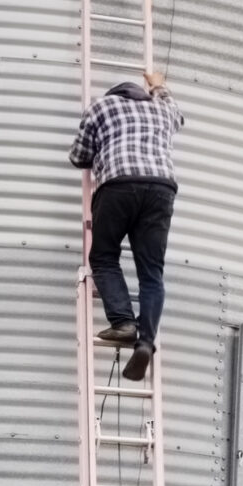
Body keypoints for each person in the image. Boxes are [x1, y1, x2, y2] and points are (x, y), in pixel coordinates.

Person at [68, 66, 184, 383]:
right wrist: (159, 87)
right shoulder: (161, 107)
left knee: (103, 256)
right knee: (151, 272)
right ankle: (145, 341)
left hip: (118, 185)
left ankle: (123, 322)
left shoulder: (101, 107)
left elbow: (79, 157)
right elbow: (178, 115)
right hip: (162, 188)